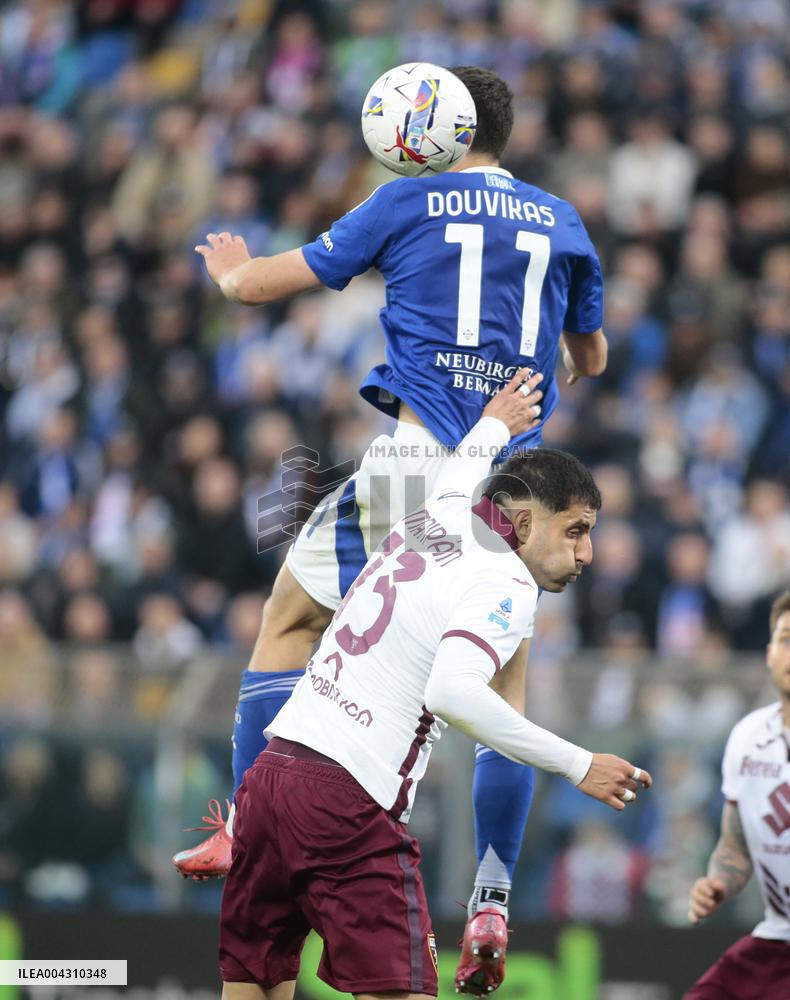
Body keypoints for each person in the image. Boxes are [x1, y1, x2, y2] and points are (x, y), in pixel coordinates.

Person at [177, 64, 606, 993]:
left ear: (430, 129)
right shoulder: (563, 220)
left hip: (416, 461)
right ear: (509, 130)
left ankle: (247, 826)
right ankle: (490, 894)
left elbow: (257, 288)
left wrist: (226, 266)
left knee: (290, 624)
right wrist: (558, 354)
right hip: (512, 490)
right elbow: (593, 353)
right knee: (505, 702)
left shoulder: (404, 198)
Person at [220, 374, 650, 1000]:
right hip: (348, 802)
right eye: (576, 531)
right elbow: (453, 692)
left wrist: (496, 422)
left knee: (254, 987)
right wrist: (578, 763)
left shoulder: (442, 510)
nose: (587, 554)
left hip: (273, 772)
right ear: (524, 523)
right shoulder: (507, 584)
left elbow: (466, 464)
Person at [685, 590, 790, 999]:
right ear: (768, 654)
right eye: (785, 639)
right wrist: (718, 883)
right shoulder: (747, 736)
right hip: (776, 937)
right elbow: (735, 849)